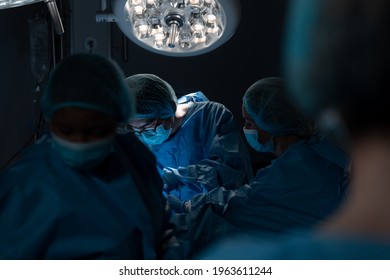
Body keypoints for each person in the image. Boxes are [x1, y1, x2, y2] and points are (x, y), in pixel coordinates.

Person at [195, 0, 390, 260]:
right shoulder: (324, 155)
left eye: (251, 122)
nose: (246, 130)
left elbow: (233, 207)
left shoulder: (244, 260)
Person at [0, 53, 180, 260]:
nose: (79, 142)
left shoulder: (132, 156)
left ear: (117, 121)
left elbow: (157, 222)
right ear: (51, 120)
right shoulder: (25, 189)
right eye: (66, 130)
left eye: (96, 131)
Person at [169, 77, 350, 257]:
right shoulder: (323, 151)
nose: (246, 129)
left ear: (272, 122)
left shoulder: (288, 174)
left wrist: (183, 206)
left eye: (249, 123)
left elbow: (237, 204)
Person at [125, 73, 253, 204]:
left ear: (169, 109)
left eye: (147, 127)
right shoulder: (141, 140)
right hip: (177, 221)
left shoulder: (211, 116)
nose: (143, 134)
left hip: (221, 215)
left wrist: (179, 177)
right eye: (135, 129)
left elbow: (231, 172)